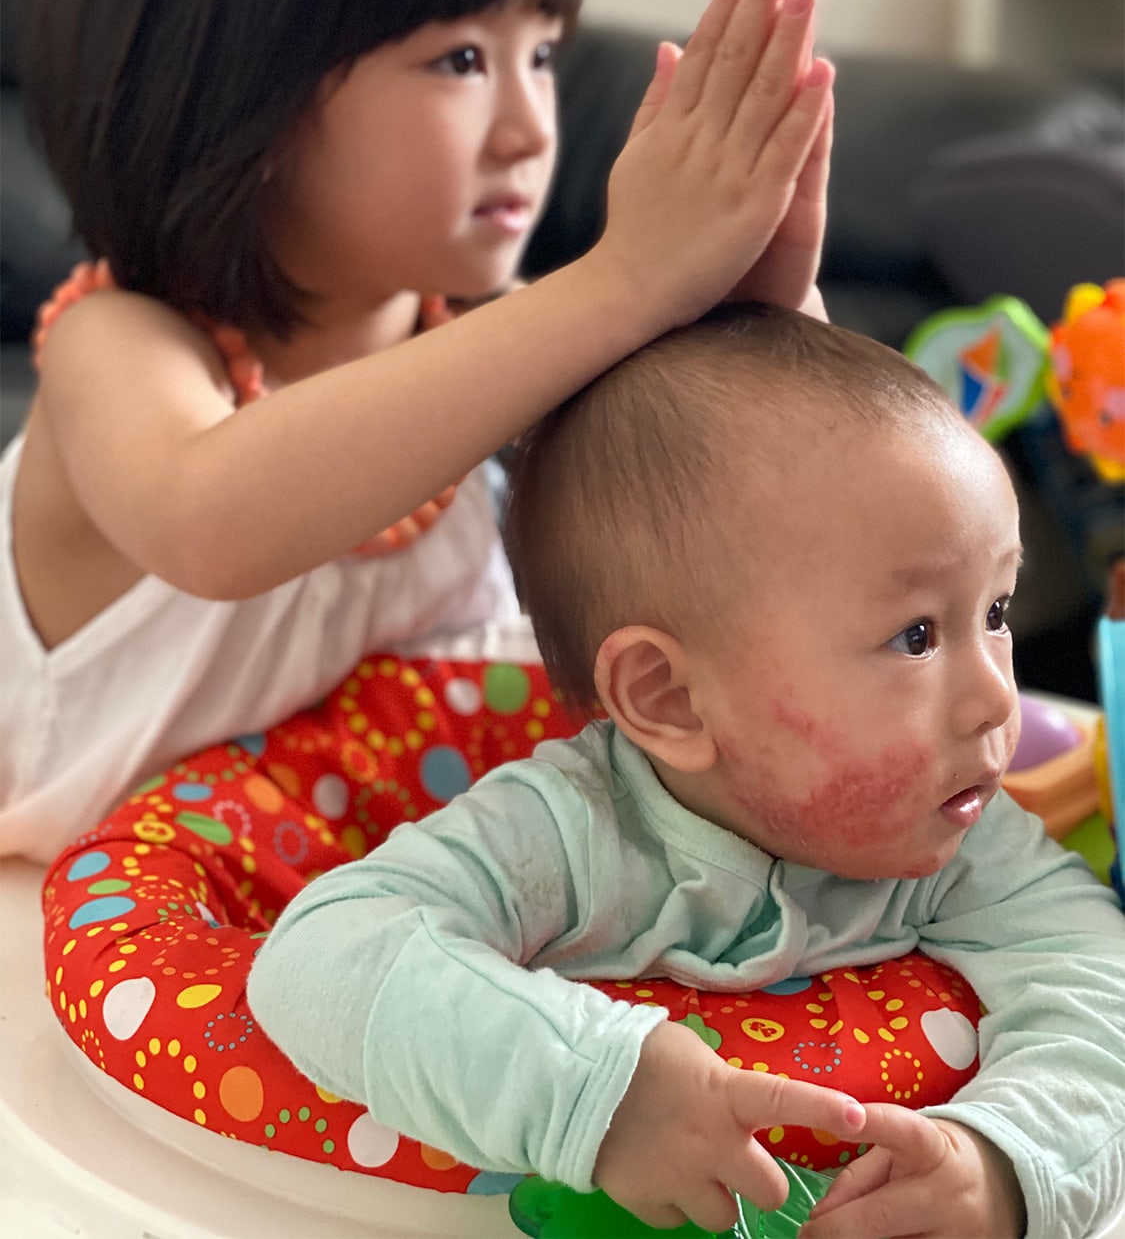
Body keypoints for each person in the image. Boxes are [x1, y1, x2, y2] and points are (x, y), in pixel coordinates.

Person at [0, 0, 837, 861]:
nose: (531, 129)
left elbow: (768, 528)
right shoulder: (115, 345)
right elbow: (210, 520)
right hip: (79, 933)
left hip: (401, 929)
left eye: (541, 56)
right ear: (229, 84)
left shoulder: (507, 345)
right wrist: (626, 281)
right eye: (460, 61)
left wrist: (763, 313)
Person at [248, 302, 1125, 1239]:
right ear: (669, 699)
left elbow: (1100, 985)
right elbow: (322, 958)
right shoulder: (565, 833)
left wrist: (1007, 1164)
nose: (995, 698)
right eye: (915, 636)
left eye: (994, 612)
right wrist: (597, 1091)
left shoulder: (962, 833)